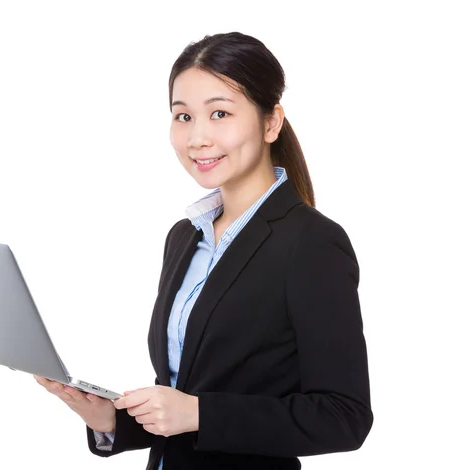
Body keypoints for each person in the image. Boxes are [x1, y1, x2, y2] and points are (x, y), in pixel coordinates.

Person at [34, 31, 373, 470]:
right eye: (183, 116)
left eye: (220, 113)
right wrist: (110, 420)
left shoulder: (311, 244)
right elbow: (182, 394)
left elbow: (344, 418)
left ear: (271, 122)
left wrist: (199, 413)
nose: (197, 138)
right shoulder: (185, 236)